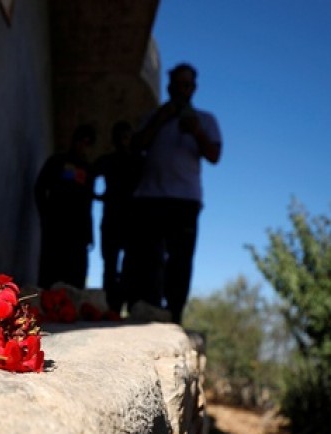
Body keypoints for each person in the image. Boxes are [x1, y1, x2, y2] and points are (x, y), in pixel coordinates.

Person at [125, 63, 222, 323]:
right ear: (169, 86)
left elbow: (214, 155)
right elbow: (135, 146)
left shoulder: (206, 119)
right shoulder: (153, 116)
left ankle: (173, 314)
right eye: (178, 84)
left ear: (194, 89)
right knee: (147, 258)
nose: (182, 89)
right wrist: (160, 120)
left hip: (185, 200)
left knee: (180, 260)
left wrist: (197, 132)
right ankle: (145, 311)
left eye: (187, 84)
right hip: (150, 197)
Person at [34, 124, 97, 289]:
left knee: (75, 279)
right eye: (81, 141)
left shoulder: (88, 171)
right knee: (50, 274)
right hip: (56, 227)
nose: (83, 146)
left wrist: (89, 234)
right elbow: (40, 188)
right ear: (74, 141)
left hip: (78, 233)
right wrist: (45, 216)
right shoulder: (57, 161)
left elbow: (87, 202)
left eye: (88, 143)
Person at [93, 121, 141, 312]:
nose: (124, 140)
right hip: (112, 218)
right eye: (120, 135)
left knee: (131, 265)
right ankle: (111, 306)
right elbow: (88, 178)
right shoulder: (107, 161)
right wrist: (101, 197)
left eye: (127, 135)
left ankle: (127, 304)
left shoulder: (139, 162)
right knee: (110, 264)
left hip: (132, 220)